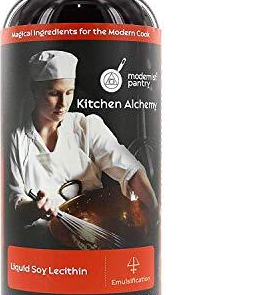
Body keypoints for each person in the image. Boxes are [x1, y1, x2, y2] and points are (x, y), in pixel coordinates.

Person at [8, 50, 158, 244]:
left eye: (69, 92)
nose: (63, 103)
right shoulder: (17, 141)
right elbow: (15, 203)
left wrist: (156, 212)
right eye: (53, 93)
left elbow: (131, 170)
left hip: (92, 235)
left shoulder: (86, 126)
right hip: (42, 243)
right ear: (34, 90)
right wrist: (34, 208)